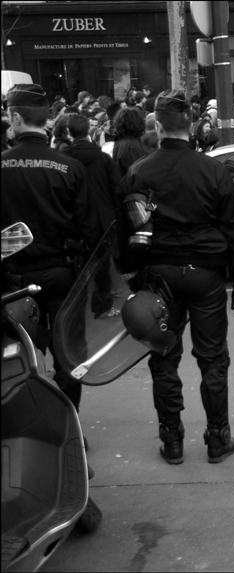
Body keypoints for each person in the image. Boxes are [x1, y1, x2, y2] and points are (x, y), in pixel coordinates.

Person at [116, 89, 234, 464]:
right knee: (212, 359)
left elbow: (127, 230)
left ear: (158, 127)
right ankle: (218, 437)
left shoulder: (138, 171)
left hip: (159, 273)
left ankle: (172, 438)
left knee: (163, 357)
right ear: (190, 125)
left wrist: (132, 277)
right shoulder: (213, 170)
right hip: (205, 273)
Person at [1, 84, 104, 414]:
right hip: (62, 275)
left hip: (12, 281)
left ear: (16, 118)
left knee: (14, 355)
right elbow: (92, 231)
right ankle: (68, 424)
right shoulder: (69, 167)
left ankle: (27, 423)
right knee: (68, 356)